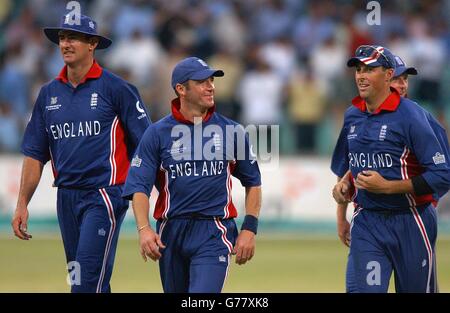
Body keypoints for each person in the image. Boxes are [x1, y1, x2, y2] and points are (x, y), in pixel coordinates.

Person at [11, 14, 151, 293]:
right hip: (66, 197)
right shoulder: (48, 94)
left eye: (73, 37)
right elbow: (35, 153)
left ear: (92, 44)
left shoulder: (117, 89)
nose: (65, 43)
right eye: (62, 38)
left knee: (85, 283)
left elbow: (147, 146)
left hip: (104, 195)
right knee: (84, 280)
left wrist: (143, 195)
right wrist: (22, 203)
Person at [122, 57, 262, 293]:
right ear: (181, 89)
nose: (211, 86)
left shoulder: (232, 131)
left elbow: (253, 182)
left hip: (214, 232)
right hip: (171, 233)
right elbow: (139, 187)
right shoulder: (156, 134)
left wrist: (249, 228)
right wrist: (144, 229)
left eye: (211, 80)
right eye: (201, 82)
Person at [330, 45, 450, 292]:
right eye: (359, 69)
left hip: (412, 220)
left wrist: (387, 187)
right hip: (367, 221)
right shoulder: (352, 115)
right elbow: (350, 166)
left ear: (387, 75)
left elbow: (442, 174)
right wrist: (342, 198)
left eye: (369, 69)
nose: (361, 75)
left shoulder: (413, 117)